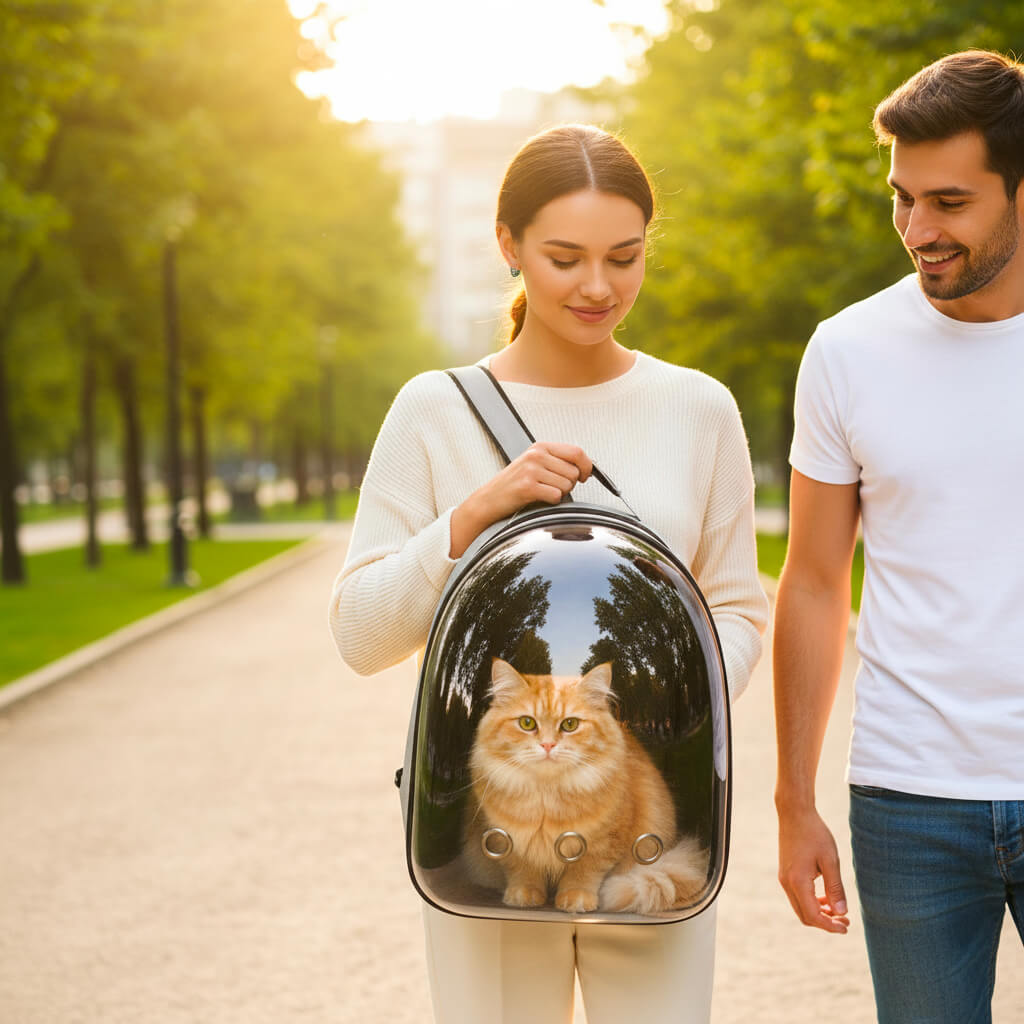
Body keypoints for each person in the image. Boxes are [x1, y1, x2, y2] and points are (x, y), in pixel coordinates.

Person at [330, 123, 768, 1024]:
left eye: (626, 256)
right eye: (565, 257)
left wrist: (661, 709)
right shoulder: (433, 411)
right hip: (489, 837)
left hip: (648, 820)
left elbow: (737, 606)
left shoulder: (698, 408)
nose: (600, 286)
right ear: (509, 247)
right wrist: (474, 513)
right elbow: (361, 634)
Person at [773, 49, 1024, 1024]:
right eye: (900, 199)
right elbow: (811, 580)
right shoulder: (847, 350)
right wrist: (795, 799)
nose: (918, 231)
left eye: (950, 203)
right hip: (907, 795)